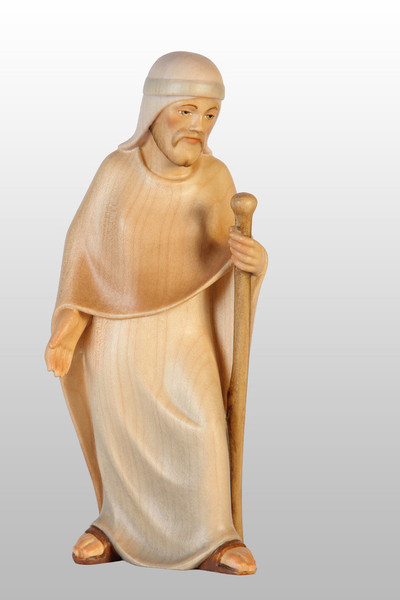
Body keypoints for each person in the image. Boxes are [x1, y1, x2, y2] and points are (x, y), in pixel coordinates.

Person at [45, 51, 268, 575]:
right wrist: (67, 333)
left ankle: (215, 534)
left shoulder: (216, 178)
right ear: (154, 109)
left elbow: (225, 265)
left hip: (186, 334)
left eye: (210, 114)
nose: (198, 126)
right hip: (117, 340)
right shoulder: (115, 172)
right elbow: (85, 263)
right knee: (122, 437)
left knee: (201, 425)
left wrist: (253, 265)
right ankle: (115, 525)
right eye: (185, 111)